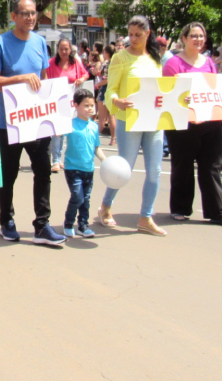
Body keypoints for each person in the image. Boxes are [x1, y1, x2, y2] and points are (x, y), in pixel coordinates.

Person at [0, 0, 64, 245]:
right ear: (14, 16)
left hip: (37, 122)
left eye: (33, 13)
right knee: (8, 175)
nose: (30, 18)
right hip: (7, 123)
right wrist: (20, 79)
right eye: (25, 13)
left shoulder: (41, 43)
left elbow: (42, 81)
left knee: (43, 171)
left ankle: (42, 225)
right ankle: (6, 222)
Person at [98, 15, 168, 236]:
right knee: (123, 170)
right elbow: (111, 90)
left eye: (138, 34)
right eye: (130, 34)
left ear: (148, 34)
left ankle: (146, 217)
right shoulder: (120, 58)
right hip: (129, 120)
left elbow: (162, 90)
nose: (134, 38)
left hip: (155, 121)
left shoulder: (156, 58)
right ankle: (106, 206)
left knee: (155, 171)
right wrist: (116, 101)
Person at [163, 22, 222, 225]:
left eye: (201, 36)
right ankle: (180, 208)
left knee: (211, 167)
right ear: (184, 39)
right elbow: (167, 93)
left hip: (210, 122)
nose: (198, 40)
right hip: (183, 124)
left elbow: (215, 90)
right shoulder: (173, 64)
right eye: (193, 36)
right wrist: (180, 98)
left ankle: (217, 212)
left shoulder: (209, 63)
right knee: (183, 167)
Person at [61, 88, 104, 238]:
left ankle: (83, 225)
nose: (90, 108)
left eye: (92, 105)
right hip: (73, 169)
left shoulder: (94, 126)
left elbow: (96, 147)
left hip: (88, 169)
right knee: (77, 197)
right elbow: (57, 134)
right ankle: (68, 223)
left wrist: (105, 161)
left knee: (86, 199)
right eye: (86, 105)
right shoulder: (70, 124)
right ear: (76, 105)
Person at [46, 38, 90, 173]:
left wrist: (81, 79)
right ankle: (55, 160)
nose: (64, 52)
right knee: (57, 132)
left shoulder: (75, 62)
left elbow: (86, 74)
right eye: (61, 49)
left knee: (66, 132)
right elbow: (45, 77)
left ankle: (60, 159)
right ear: (57, 50)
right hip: (56, 101)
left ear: (70, 50)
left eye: (66, 49)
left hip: (71, 103)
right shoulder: (51, 63)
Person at [96, 45, 117, 146]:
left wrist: (98, 84)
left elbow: (106, 79)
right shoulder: (115, 63)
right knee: (111, 116)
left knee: (102, 118)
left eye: (104, 52)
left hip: (105, 89)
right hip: (113, 90)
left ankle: (93, 138)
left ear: (107, 53)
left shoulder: (107, 63)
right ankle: (113, 139)